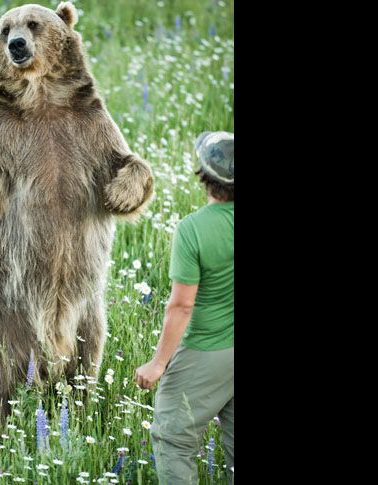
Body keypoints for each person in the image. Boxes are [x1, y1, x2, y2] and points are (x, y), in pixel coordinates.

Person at [134, 131, 234, 484]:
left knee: (172, 440)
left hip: (208, 350)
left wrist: (159, 363)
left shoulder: (193, 230)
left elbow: (181, 306)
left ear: (204, 176)